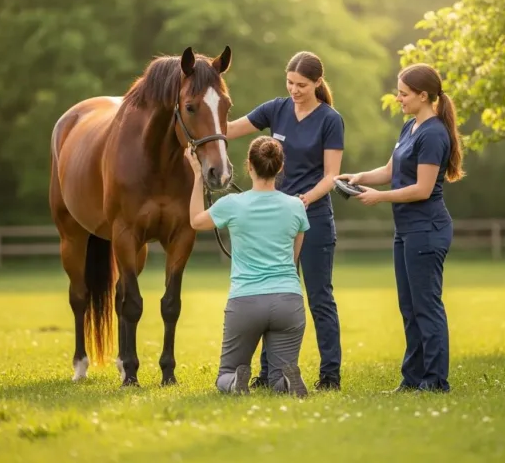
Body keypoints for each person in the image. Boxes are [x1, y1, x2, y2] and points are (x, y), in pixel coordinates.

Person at [336, 63, 464, 393]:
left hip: (427, 229)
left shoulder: (435, 134)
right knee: (409, 307)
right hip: (406, 230)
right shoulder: (410, 128)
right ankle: (413, 380)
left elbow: (421, 189)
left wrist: (379, 199)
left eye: (404, 93)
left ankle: (435, 382)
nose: (398, 98)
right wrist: (360, 178)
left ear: (424, 96)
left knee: (426, 306)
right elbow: (392, 169)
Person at [226, 51, 344, 391]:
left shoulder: (330, 120)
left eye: (302, 85)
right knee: (272, 294)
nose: (294, 89)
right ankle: (269, 374)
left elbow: (331, 176)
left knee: (320, 298)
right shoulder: (275, 109)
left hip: (314, 219)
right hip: (275, 223)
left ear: (318, 83)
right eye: (290, 82)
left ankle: (330, 375)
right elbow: (231, 129)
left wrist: (303, 200)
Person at [187, 136, 309, 397]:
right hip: (288, 300)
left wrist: (198, 175)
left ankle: (233, 382)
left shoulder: (231, 204)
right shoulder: (297, 206)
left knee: (226, 372)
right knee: (278, 376)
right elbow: (293, 258)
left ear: (249, 167)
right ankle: (287, 382)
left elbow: (196, 221)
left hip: (246, 302)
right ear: (279, 167)